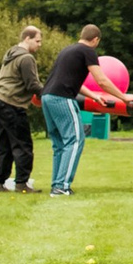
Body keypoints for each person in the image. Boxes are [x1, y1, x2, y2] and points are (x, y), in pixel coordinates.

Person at [39, 25, 105, 195]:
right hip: (62, 98)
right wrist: (123, 97)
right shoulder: (88, 51)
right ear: (95, 39)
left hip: (46, 97)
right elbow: (102, 80)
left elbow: (71, 80)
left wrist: (93, 96)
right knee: (75, 140)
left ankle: (56, 185)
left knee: (60, 144)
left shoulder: (67, 50)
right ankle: (62, 187)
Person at [0, 25, 43, 192]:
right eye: (37, 40)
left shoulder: (11, 53)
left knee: (4, 144)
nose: (39, 45)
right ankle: (21, 184)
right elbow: (32, 84)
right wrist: (49, 93)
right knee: (23, 145)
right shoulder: (26, 58)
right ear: (27, 38)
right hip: (12, 103)